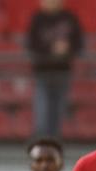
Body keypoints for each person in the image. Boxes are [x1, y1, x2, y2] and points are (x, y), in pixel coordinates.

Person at [26, 0, 83, 137]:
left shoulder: (69, 17)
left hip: (63, 70)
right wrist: (51, 49)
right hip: (43, 72)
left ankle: (54, 142)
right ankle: (42, 140)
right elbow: (31, 44)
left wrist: (67, 49)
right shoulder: (37, 18)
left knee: (59, 111)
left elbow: (79, 43)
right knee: (42, 110)